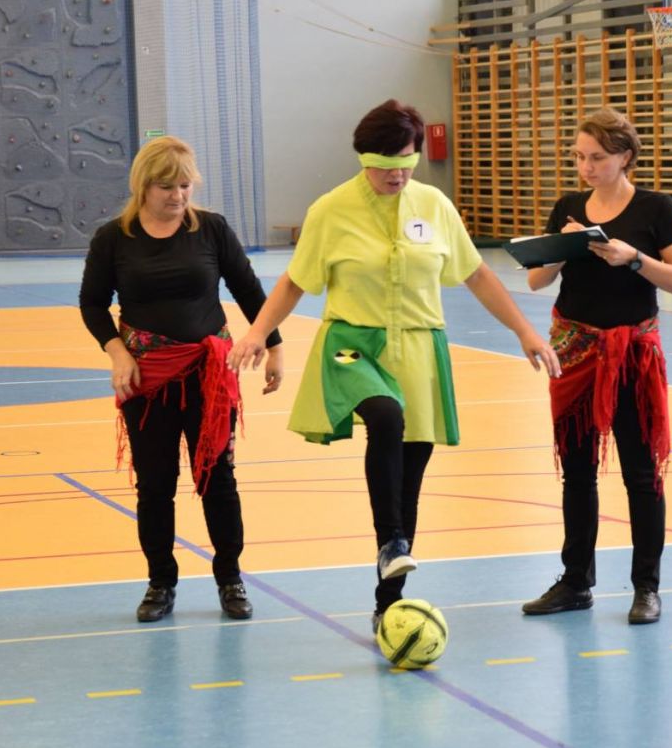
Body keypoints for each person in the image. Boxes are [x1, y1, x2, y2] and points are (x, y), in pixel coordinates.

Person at [228, 99, 560, 632]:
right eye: (384, 165)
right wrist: (257, 333)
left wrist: (524, 331)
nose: (396, 175)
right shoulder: (331, 210)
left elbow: (476, 275)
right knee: (385, 416)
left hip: (420, 349)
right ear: (363, 159)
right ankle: (391, 542)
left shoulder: (433, 205)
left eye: (406, 162)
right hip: (350, 346)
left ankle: (389, 600)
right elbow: (294, 282)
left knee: (410, 475)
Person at [79, 135, 283, 623]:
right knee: (155, 485)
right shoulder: (113, 238)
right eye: (167, 187)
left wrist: (273, 347)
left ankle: (230, 578)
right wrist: (117, 353)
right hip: (147, 382)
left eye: (186, 185)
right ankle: (160, 583)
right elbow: (92, 303)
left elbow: (249, 290)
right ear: (143, 186)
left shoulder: (211, 229)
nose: (179, 195)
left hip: (210, 378)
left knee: (218, 480)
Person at [521, 106, 672, 625]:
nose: (586, 167)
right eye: (579, 157)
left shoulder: (655, 208)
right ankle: (576, 581)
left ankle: (647, 587)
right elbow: (536, 280)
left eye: (596, 157)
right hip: (575, 351)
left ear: (624, 157)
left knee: (641, 473)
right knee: (576, 472)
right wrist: (565, 247)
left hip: (632, 356)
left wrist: (632, 258)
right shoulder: (569, 206)